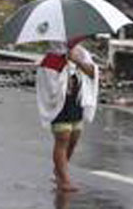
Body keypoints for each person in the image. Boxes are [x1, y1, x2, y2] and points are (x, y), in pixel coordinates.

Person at [37, 39, 98, 193]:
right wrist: (63, 82)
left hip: (76, 102)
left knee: (74, 138)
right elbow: (47, 84)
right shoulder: (51, 59)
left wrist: (77, 61)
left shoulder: (81, 53)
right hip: (59, 105)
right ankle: (64, 180)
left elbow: (93, 73)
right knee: (63, 138)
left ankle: (59, 170)